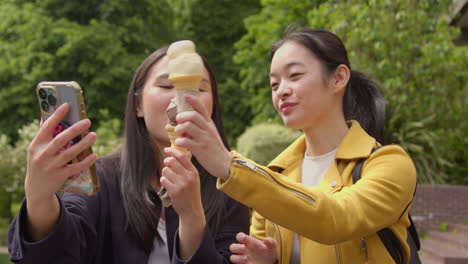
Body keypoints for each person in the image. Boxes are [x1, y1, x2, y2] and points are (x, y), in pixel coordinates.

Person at [168, 28, 417, 263]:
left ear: (339, 78)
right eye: (274, 84)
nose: (281, 91)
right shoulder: (275, 173)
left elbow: (336, 218)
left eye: (295, 76)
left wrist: (228, 165)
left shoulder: (389, 163)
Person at [8, 45, 250, 263]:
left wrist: (192, 216)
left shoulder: (231, 185)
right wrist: (39, 197)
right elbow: (61, 251)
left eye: (198, 88)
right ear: (137, 106)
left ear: (212, 106)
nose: (182, 98)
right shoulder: (102, 179)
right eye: (166, 85)